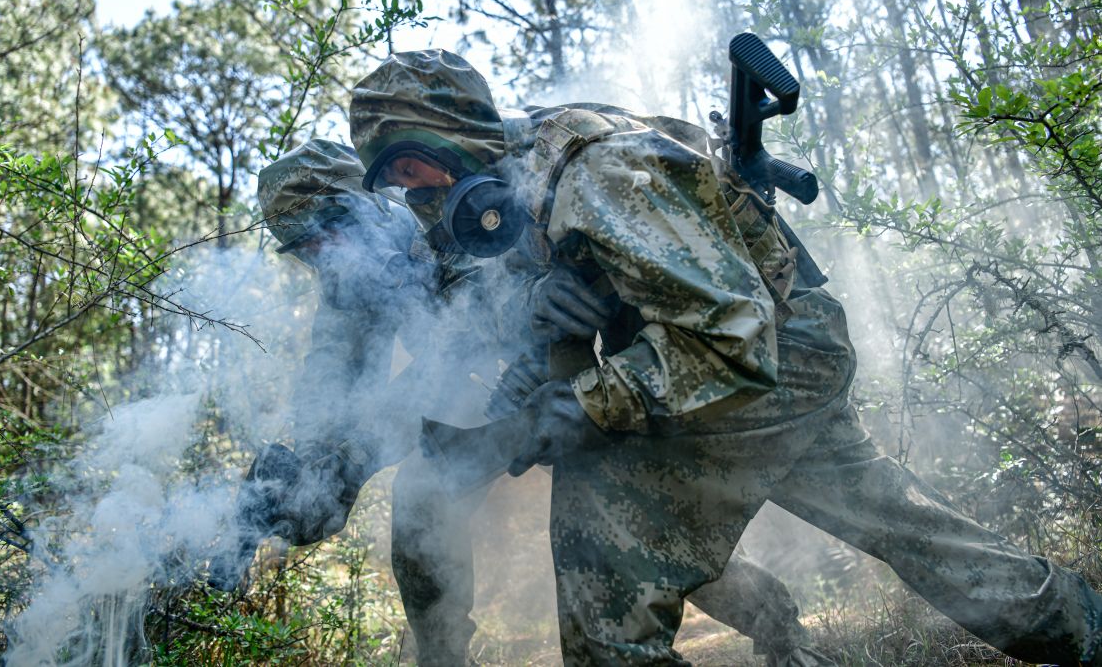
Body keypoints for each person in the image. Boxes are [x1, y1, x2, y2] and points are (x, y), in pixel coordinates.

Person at [347, 48, 1102, 666]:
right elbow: (542, 314)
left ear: (458, 130)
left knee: (603, 582)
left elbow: (726, 339)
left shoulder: (594, 168)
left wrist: (580, 404)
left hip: (754, 368)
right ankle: (1081, 629)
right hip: (788, 360)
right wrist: (541, 324)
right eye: (396, 182)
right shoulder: (522, 180)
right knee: (906, 529)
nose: (418, 194)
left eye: (418, 166)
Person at [255, 139, 836, 666]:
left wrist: (361, 450)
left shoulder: (445, 208)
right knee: (423, 498)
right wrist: (308, 470)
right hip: (471, 392)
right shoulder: (346, 282)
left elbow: (496, 322)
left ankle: (773, 622)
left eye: (329, 226)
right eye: (305, 245)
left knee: (618, 515)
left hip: (552, 370)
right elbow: (329, 382)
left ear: (365, 205)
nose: (323, 250)